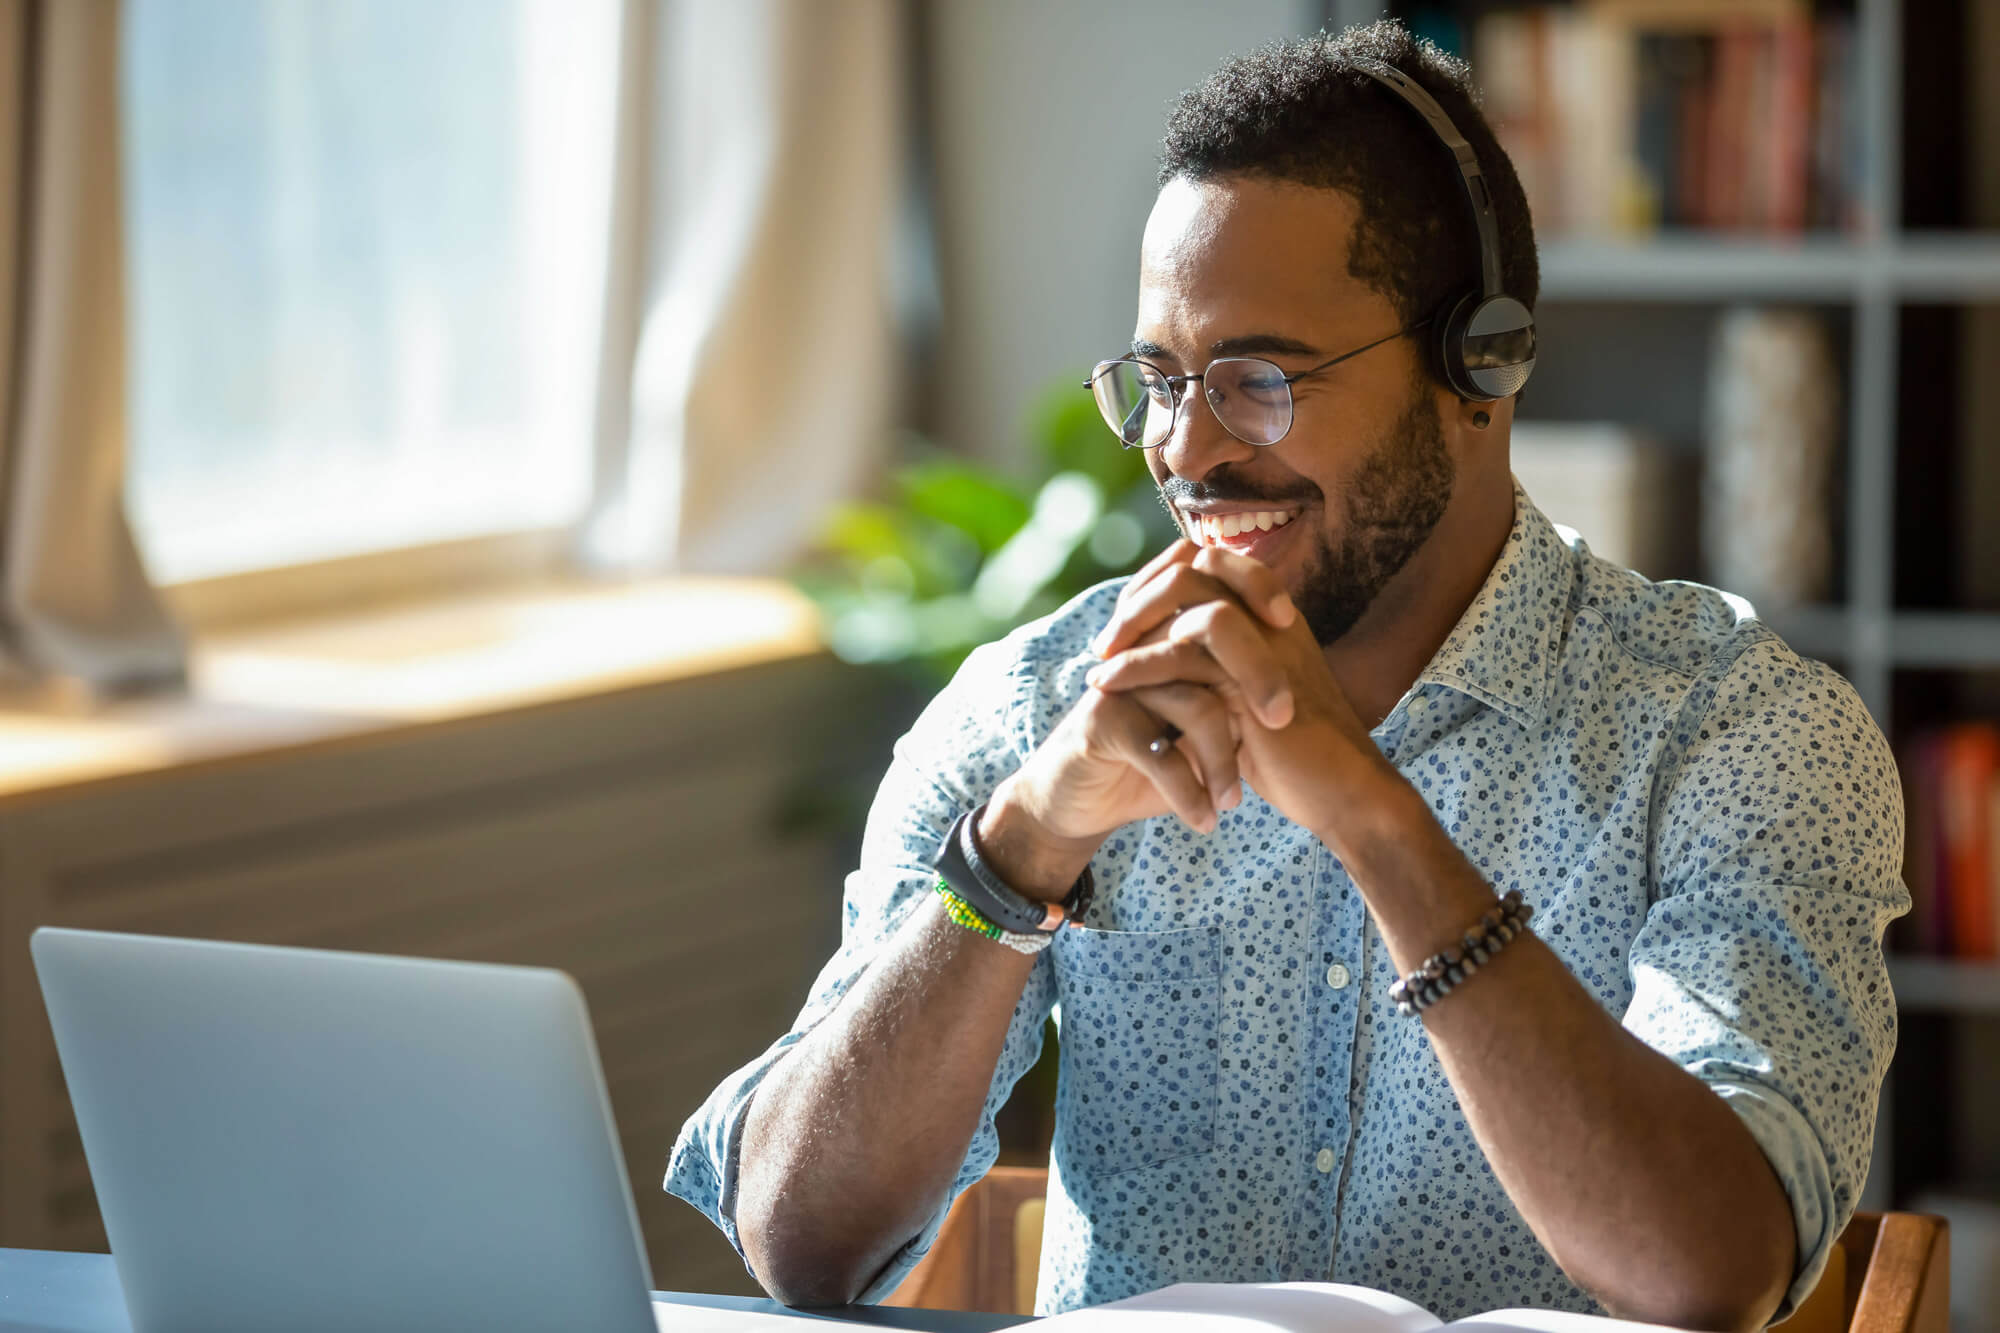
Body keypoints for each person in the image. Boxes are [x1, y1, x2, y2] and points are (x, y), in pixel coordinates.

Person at [666, 21, 1905, 1330]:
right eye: (1157, 379)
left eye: (1259, 379)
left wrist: (1375, 820)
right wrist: (1020, 851)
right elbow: (798, 1243)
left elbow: (1709, 1268)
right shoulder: (1039, 709)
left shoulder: (1743, 732)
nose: (1187, 451)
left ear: (1479, 367)